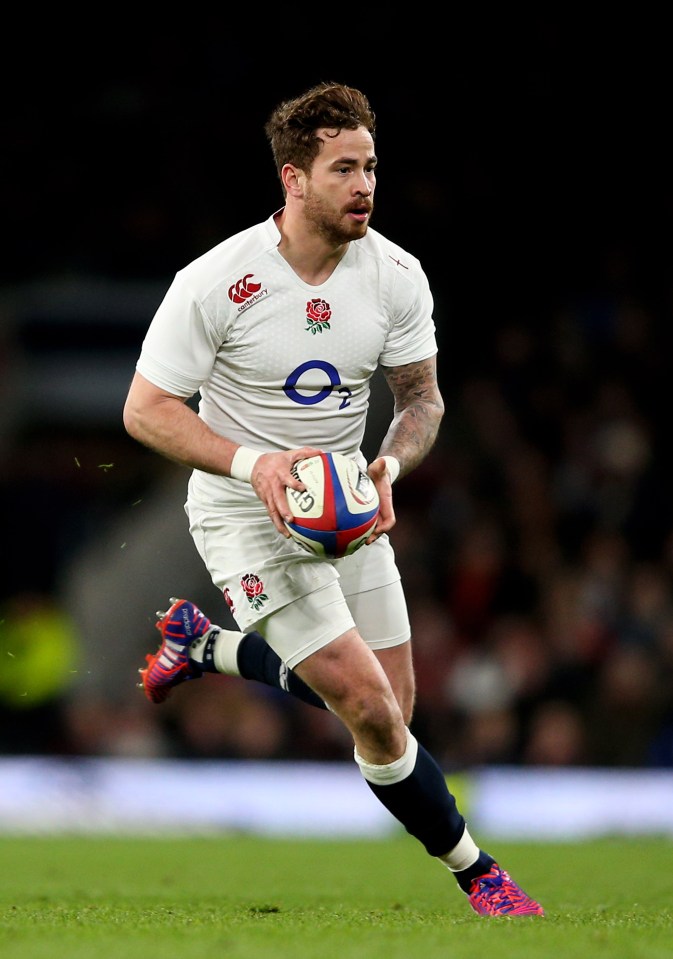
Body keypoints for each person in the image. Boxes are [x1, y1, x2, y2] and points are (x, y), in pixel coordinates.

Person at [123, 81, 544, 918]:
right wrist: (254, 465)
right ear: (293, 179)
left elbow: (421, 399)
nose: (364, 186)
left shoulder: (394, 275)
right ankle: (478, 872)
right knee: (369, 710)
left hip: (346, 505)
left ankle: (204, 648)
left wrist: (387, 468)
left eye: (371, 167)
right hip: (244, 510)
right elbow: (146, 411)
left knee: (394, 716)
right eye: (343, 168)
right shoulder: (215, 281)